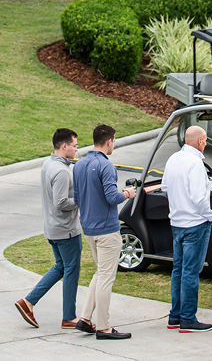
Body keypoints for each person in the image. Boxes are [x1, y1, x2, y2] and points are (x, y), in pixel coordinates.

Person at [73, 124, 137, 340]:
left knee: (100, 272)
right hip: (107, 230)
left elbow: (77, 197)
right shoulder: (106, 165)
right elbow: (112, 197)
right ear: (109, 141)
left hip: (89, 228)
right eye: (114, 140)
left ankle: (85, 318)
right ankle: (104, 327)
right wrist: (127, 193)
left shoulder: (80, 164)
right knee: (107, 277)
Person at [15, 128, 82, 330]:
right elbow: (61, 202)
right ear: (64, 146)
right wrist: (81, 199)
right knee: (72, 270)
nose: (77, 150)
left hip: (52, 228)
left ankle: (28, 302)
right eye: (75, 146)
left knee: (61, 267)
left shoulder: (48, 164)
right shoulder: (61, 171)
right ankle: (69, 317)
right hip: (66, 230)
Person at [161, 125, 212, 333]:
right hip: (195, 223)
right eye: (205, 140)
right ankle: (188, 318)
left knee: (178, 270)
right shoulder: (196, 164)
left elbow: (165, 187)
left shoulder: (173, 159)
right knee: (191, 271)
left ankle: (175, 316)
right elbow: (199, 197)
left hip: (176, 223)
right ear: (200, 141)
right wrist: (209, 215)